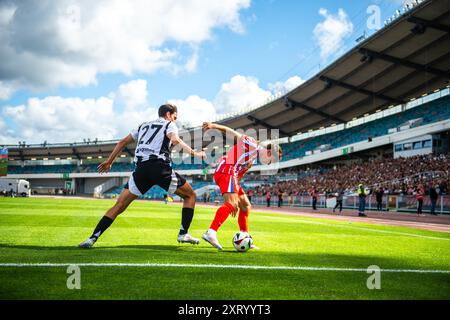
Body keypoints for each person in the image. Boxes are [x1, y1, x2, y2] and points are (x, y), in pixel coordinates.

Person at [79, 104, 206, 248]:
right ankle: (183, 233)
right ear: (169, 114)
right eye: (175, 117)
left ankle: (92, 238)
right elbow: (175, 140)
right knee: (190, 196)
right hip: (159, 168)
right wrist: (196, 153)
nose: (175, 120)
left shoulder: (143, 126)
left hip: (141, 170)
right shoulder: (169, 124)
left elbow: (122, 142)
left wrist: (109, 162)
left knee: (119, 205)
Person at [201, 122, 282, 250]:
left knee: (245, 205)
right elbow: (231, 132)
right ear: (268, 151)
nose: (269, 164)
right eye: (271, 160)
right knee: (232, 204)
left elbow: (238, 175)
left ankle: (245, 235)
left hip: (230, 175)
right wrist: (214, 126)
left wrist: (233, 194)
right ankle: (211, 232)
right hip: (226, 170)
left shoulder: (252, 159)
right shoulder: (251, 143)